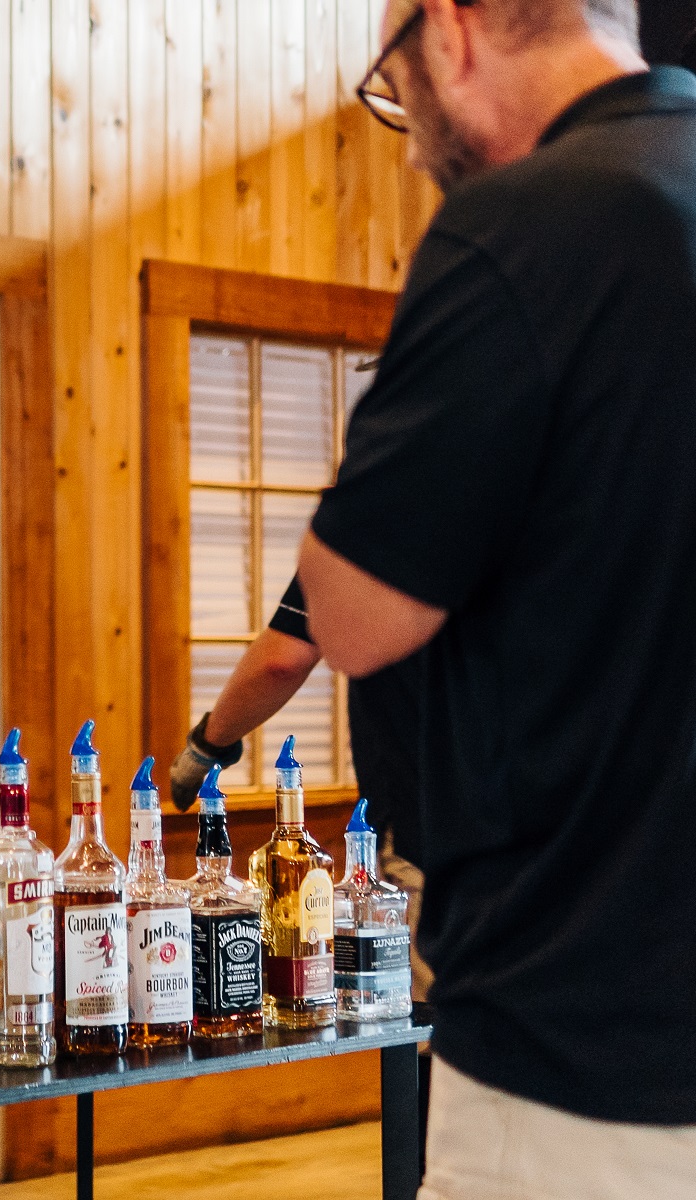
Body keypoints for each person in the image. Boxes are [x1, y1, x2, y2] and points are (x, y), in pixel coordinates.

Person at [302, 1, 696, 1195]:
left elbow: (354, 617)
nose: (410, 129)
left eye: (396, 78)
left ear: (453, 32)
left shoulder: (525, 227)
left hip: (582, 1039)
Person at [170, 578, 431, 998]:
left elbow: (282, 659)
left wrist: (207, 744)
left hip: (430, 822)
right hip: (548, 825)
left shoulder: (376, 522)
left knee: (433, 1030)